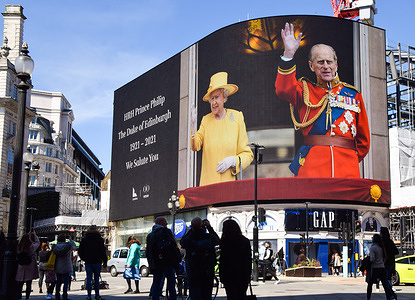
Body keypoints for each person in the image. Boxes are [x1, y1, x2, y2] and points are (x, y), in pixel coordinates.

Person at [275, 23, 370, 178]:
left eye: (329, 61)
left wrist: (348, 159)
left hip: (347, 169)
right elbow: (283, 89)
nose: (326, 66)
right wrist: (288, 54)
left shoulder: (354, 95)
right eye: (320, 62)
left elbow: (363, 142)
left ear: (336, 65)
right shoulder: (304, 90)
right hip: (312, 169)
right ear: (311, 66)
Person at [190, 71, 253, 186]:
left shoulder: (237, 118)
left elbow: (247, 155)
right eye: (211, 99)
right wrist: (193, 128)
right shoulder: (206, 120)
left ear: (224, 97)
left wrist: (233, 161)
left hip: (228, 187)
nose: (213, 102)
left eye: (217, 97)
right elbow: (195, 146)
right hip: (207, 186)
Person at [180, 217, 220, 299]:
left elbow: (182, 242)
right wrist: (209, 227)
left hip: (194, 269)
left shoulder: (190, 238)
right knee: (207, 293)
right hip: (207, 270)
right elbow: (217, 240)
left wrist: (193, 229)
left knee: (195, 292)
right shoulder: (208, 237)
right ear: (202, 226)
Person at [146, 216, 181, 300]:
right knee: (171, 283)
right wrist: (177, 258)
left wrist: (151, 264)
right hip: (168, 262)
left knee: (156, 283)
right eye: (165, 222)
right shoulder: (166, 232)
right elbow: (173, 246)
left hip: (156, 263)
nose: (166, 224)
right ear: (162, 223)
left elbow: (149, 251)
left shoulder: (150, 235)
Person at [219, 219, 251, 300]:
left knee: (231, 296)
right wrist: (248, 275)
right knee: (241, 295)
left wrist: (221, 274)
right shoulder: (245, 241)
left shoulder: (225, 242)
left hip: (229, 275)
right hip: (242, 275)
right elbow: (248, 260)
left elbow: (223, 260)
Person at [78, 225, 108, 300]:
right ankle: (97, 295)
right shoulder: (100, 239)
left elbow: (80, 251)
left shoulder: (85, 239)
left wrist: (84, 258)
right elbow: (103, 251)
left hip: (88, 261)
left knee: (89, 278)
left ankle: (88, 296)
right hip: (97, 261)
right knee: (96, 279)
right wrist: (104, 261)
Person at [367, 234, 396, 300]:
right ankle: (390, 297)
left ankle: (368, 297)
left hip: (374, 267)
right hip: (382, 266)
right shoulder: (382, 248)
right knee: (385, 284)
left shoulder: (373, 248)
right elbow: (385, 258)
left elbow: (372, 259)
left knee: (370, 284)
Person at [15, 231, 40, 300]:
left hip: (21, 265)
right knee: (29, 283)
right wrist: (35, 236)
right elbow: (37, 243)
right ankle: (27, 297)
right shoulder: (30, 246)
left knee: (20, 283)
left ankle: (18, 296)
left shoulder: (19, 247)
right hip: (29, 265)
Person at [52, 233, 76, 300]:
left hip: (58, 265)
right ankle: (65, 294)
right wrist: (71, 240)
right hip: (66, 265)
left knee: (58, 281)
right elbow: (74, 247)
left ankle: (57, 294)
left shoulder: (55, 246)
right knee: (66, 281)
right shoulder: (68, 245)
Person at [380, 227, 399, 291]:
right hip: (391, 262)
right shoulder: (390, 241)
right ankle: (391, 293)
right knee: (388, 278)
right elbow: (396, 251)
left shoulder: (382, 242)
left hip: (385, 263)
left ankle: (390, 294)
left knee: (385, 280)